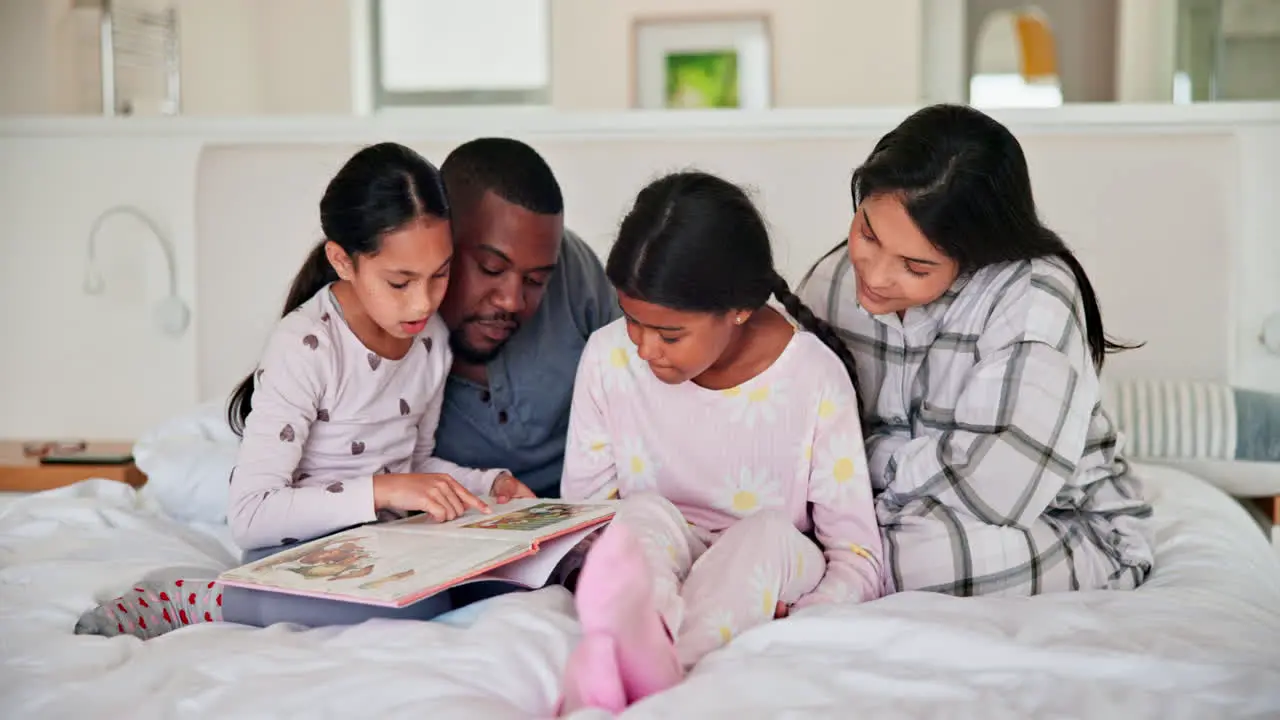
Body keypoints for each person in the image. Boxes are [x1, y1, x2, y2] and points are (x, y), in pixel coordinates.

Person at [74, 142, 534, 639]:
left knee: (500, 583)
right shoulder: (306, 346)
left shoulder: (432, 341)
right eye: (400, 282)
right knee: (402, 614)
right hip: (295, 551)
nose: (423, 302)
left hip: (387, 544)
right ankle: (200, 598)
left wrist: (491, 485)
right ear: (342, 260)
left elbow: (412, 468)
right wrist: (383, 491)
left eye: (439, 274)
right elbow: (251, 516)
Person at [555, 172, 884, 714]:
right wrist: (592, 567)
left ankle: (663, 668)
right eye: (632, 320)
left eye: (669, 334)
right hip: (664, 548)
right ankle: (632, 642)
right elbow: (585, 520)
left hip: (772, 560)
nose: (643, 348)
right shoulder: (607, 358)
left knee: (762, 536)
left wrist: (808, 612)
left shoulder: (813, 377)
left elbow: (857, 556)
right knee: (638, 519)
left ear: (738, 308)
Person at [798, 104, 1154, 598]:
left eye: (916, 267)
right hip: (874, 507)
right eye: (868, 233)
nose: (874, 276)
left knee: (922, 558)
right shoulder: (831, 279)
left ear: (975, 253)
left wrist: (857, 474)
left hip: (1053, 520)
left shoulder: (1034, 296)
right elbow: (795, 423)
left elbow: (998, 489)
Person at [434, 138, 621, 499]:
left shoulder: (574, 269)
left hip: (584, 505)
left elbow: (637, 381)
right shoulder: (388, 323)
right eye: (491, 268)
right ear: (441, 240)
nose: (513, 301)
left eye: (536, 280)